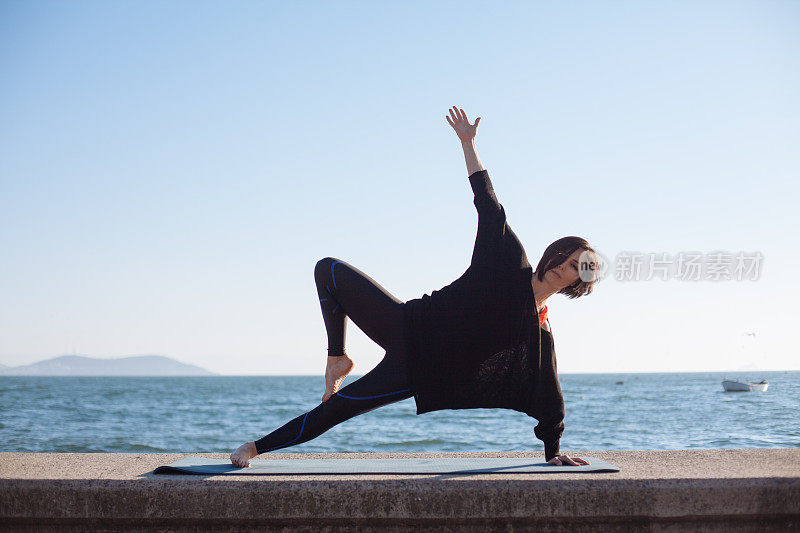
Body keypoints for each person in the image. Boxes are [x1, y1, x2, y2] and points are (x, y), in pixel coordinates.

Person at [231, 106, 599, 468]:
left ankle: (255, 447)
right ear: (553, 252)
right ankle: (337, 358)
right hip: (405, 320)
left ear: (576, 283)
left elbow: (550, 394)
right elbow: (489, 206)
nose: (564, 265)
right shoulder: (507, 261)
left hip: (419, 367)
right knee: (327, 270)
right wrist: (467, 144)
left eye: (576, 267)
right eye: (565, 255)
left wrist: (553, 451)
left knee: (338, 410)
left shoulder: (537, 331)